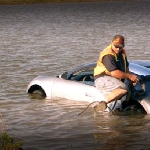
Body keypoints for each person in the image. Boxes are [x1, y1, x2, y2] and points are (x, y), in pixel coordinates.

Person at [94, 35, 140, 112]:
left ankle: (113, 111)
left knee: (121, 98)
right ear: (111, 43)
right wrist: (130, 76)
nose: (118, 49)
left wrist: (131, 79)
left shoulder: (122, 53)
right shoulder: (107, 54)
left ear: (123, 46)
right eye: (116, 46)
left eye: (120, 47)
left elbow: (126, 70)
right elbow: (114, 73)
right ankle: (103, 103)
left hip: (114, 80)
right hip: (102, 78)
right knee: (123, 89)